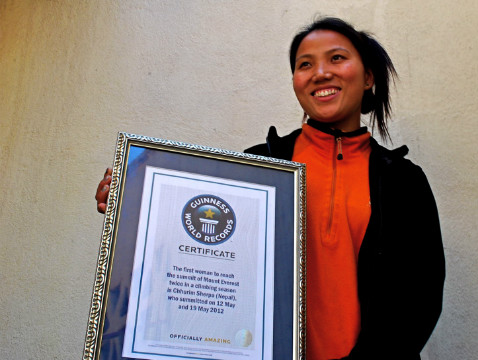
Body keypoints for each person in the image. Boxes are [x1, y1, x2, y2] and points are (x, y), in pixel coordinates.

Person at [96, 17, 445, 360]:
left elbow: (421, 296)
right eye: (305, 64)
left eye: (336, 58)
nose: (321, 72)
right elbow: (199, 246)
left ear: (368, 76)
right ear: (296, 81)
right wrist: (134, 202)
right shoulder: (258, 168)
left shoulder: (402, 181)